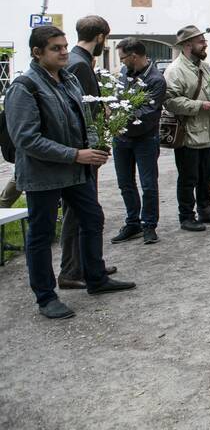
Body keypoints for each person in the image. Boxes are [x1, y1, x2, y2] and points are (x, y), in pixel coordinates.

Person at [4, 25, 135, 319]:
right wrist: (75, 154)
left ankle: (96, 278)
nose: (64, 51)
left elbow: (85, 118)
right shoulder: (24, 87)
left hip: (76, 170)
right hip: (43, 175)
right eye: (56, 48)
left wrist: (94, 149)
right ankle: (46, 296)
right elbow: (26, 139)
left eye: (64, 46)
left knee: (92, 218)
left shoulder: (69, 79)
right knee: (42, 234)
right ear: (37, 53)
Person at [59, 15, 115, 288]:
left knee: (81, 210)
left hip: (78, 149)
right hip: (82, 150)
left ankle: (88, 265)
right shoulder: (79, 64)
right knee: (80, 211)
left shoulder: (75, 60)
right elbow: (82, 112)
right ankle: (73, 269)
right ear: (101, 37)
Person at [164, 25, 210, 231]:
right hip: (188, 132)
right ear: (187, 45)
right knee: (188, 177)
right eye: (201, 41)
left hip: (207, 131)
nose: (205, 44)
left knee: (207, 173)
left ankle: (205, 208)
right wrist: (200, 105)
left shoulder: (205, 67)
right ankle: (186, 215)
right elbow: (170, 101)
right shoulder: (175, 70)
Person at [109, 38, 166, 245]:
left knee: (148, 184)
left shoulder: (156, 80)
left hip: (145, 139)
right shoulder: (124, 74)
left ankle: (149, 225)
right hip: (121, 138)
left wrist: (117, 116)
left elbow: (148, 114)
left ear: (134, 56)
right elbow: (117, 100)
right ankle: (132, 222)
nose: (121, 62)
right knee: (125, 183)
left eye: (123, 57)